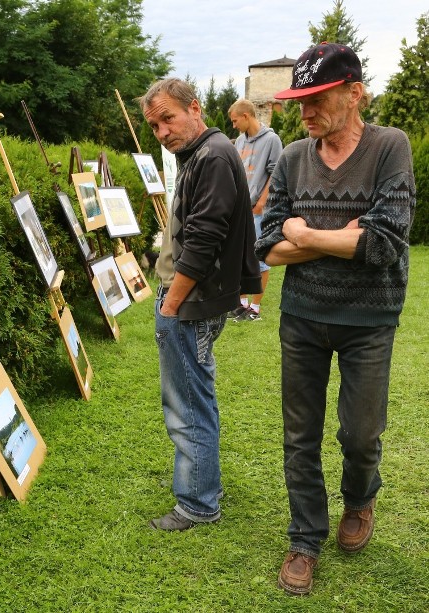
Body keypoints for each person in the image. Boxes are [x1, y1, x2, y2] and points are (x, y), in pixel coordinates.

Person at [255, 43, 416, 595]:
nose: (305, 114)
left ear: (354, 93)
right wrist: (340, 238)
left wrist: (303, 234)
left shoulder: (389, 146)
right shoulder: (293, 157)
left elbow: (387, 242)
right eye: (299, 103)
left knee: (360, 432)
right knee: (300, 435)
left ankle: (360, 498)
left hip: (369, 319)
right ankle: (304, 539)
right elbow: (266, 247)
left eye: (317, 99)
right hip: (302, 316)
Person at [137, 79, 261, 531]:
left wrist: (170, 304)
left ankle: (198, 504)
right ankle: (204, 486)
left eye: (168, 118)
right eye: (153, 126)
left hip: (191, 302)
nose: (162, 132)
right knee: (195, 398)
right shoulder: (204, 153)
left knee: (188, 404)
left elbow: (205, 239)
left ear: (194, 107)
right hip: (194, 299)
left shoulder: (211, 155)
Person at [228, 98, 283, 321]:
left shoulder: (272, 140)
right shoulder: (239, 141)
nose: (233, 126)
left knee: (259, 257)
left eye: (234, 121)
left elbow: (276, 174)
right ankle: (241, 304)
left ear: (246, 116)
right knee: (241, 256)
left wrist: (261, 203)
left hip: (260, 209)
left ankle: (255, 308)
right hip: (242, 209)